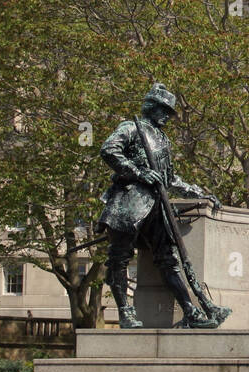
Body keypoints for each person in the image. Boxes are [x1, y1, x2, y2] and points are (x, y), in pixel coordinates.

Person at [97, 84, 226, 329]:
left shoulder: (161, 138)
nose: (167, 116)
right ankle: (126, 313)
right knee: (119, 259)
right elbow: (109, 150)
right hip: (127, 204)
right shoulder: (130, 127)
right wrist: (138, 172)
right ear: (151, 107)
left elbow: (169, 178)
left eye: (170, 112)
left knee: (168, 260)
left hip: (157, 206)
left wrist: (198, 192)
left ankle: (189, 310)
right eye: (164, 110)